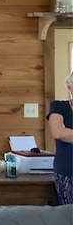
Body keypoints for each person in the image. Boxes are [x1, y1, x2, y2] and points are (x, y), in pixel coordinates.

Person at [47, 71, 73, 204]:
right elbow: (58, 132)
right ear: (70, 87)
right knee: (69, 216)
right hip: (68, 172)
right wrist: (65, 134)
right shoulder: (59, 106)